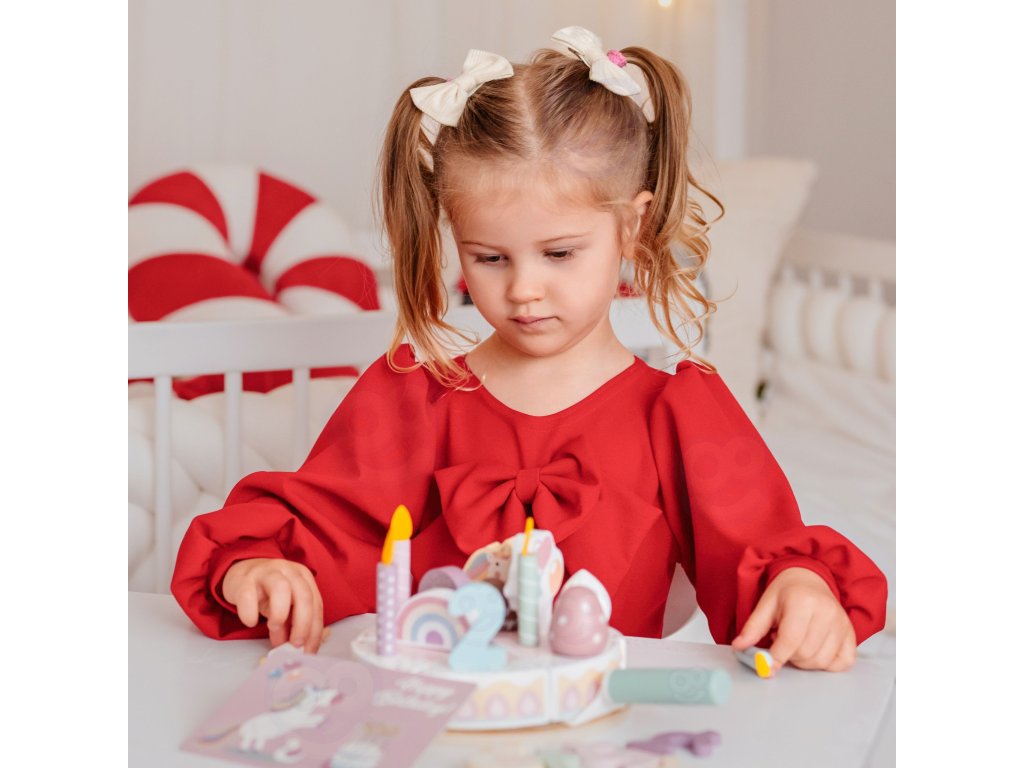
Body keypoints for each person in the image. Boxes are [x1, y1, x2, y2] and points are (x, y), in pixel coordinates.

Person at [171, 27, 886, 672]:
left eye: (559, 253)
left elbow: (763, 546)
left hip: (602, 730)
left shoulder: (678, 410)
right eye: (490, 258)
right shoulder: (415, 394)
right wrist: (258, 568)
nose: (523, 291)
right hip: (435, 724)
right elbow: (321, 526)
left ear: (632, 228)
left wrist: (802, 587)